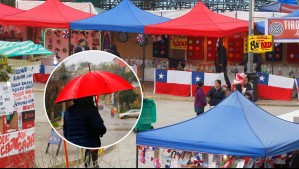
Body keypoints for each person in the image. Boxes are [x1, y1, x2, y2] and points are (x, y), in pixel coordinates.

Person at [63, 96, 106, 167]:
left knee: (87, 158)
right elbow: (99, 127)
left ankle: (87, 163)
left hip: (73, 146)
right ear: (89, 98)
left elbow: (65, 132)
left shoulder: (67, 112)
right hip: (91, 143)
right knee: (93, 161)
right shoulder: (91, 109)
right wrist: (101, 131)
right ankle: (93, 164)